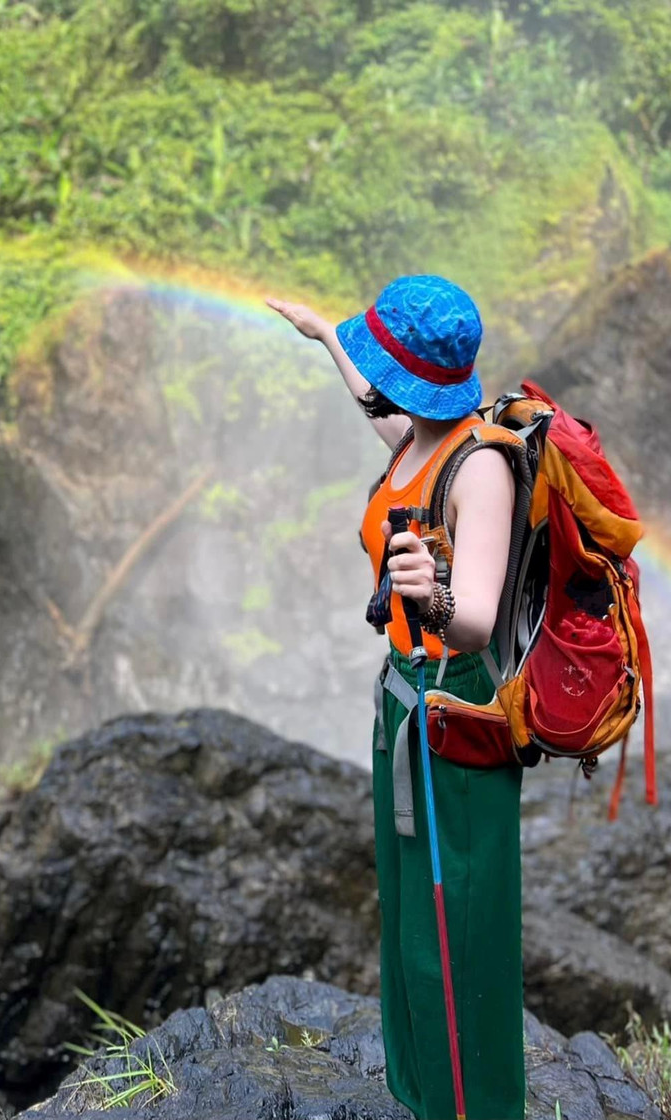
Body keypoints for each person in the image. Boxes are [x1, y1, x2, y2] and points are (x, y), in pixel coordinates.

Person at [267, 275, 525, 1120]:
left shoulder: (480, 467)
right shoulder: (418, 434)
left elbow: (479, 621)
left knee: (455, 939)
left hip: (454, 714)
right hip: (402, 706)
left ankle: (475, 1108)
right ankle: (419, 1098)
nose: (378, 387)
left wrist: (433, 591)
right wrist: (326, 341)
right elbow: (376, 405)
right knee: (409, 918)